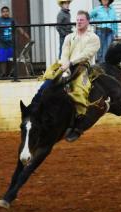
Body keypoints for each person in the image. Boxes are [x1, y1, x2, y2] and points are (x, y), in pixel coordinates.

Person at [30, 10, 100, 140]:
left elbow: (86, 54)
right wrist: (64, 64)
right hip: (66, 65)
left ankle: (79, 125)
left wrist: (70, 63)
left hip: (82, 67)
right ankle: (33, 108)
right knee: (49, 80)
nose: (78, 22)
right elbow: (64, 52)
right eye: (77, 19)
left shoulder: (94, 38)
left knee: (79, 89)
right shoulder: (69, 37)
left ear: (88, 22)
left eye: (81, 20)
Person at [0, 6, 30, 77]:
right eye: (4, 11)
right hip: (1, 44)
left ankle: (8, 75)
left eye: (7, 11)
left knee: (10, 60)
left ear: (9, 12)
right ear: (1, 13)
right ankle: (3, 74)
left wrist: (26, 36)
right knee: (2, 60)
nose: (5, 13)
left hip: (10, 44)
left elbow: (19, 28)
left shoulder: (12, 20)